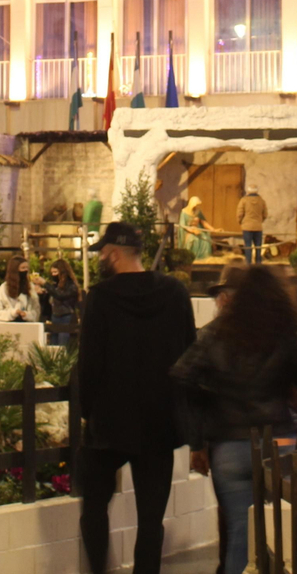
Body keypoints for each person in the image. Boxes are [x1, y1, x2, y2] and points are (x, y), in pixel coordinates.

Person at [172, 267, 297, 574]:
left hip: (228, 445)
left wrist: (208, 413)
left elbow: (182, 373)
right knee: (280, 529)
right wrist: (291, 388)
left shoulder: (216, 332)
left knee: (240, 535)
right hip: (278, 440)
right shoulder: (285, 331)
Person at [78, 222, 197, 574]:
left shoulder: (101, 296)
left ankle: (99, 569)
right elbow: (189, 354)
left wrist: (88, 410)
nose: (100, 257)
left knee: (95, 508)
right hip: (158, 423)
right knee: (150, 520)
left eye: (102, 252)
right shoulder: (175, 293)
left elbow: (90, 362)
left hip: (109, 423)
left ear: (114, 254)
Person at [44, 259, 81, 345]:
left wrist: (45, 284)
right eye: (52, 272)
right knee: (53, 345)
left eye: (55, 272)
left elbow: (61, 296)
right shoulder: (55, 285)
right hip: (55, 316)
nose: (53, 275)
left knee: (63, 344)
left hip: (66, 317)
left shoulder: (71, 286)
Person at [237, 184, 267, 264]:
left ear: (248, 190)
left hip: (247, 227)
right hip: (258, 227)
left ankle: (248, 263)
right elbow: (265, 214)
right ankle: (258, 264)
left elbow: (239, 214)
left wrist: (241, 222)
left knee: (247, 246)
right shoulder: (262, 201)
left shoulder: (243, 200)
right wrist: (260, 221)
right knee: (258, 247)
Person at [179, 196, 215, 260]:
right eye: (195, 205)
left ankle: (204, 258)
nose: (196, 207)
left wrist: (213, 229)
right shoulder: (184, 212)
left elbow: (203, 222)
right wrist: (192, 231)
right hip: (189, 232)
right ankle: (193, 258)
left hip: (198, 230)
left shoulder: (198, 212)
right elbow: (182, 225)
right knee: (194, 240)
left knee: (205, 239)